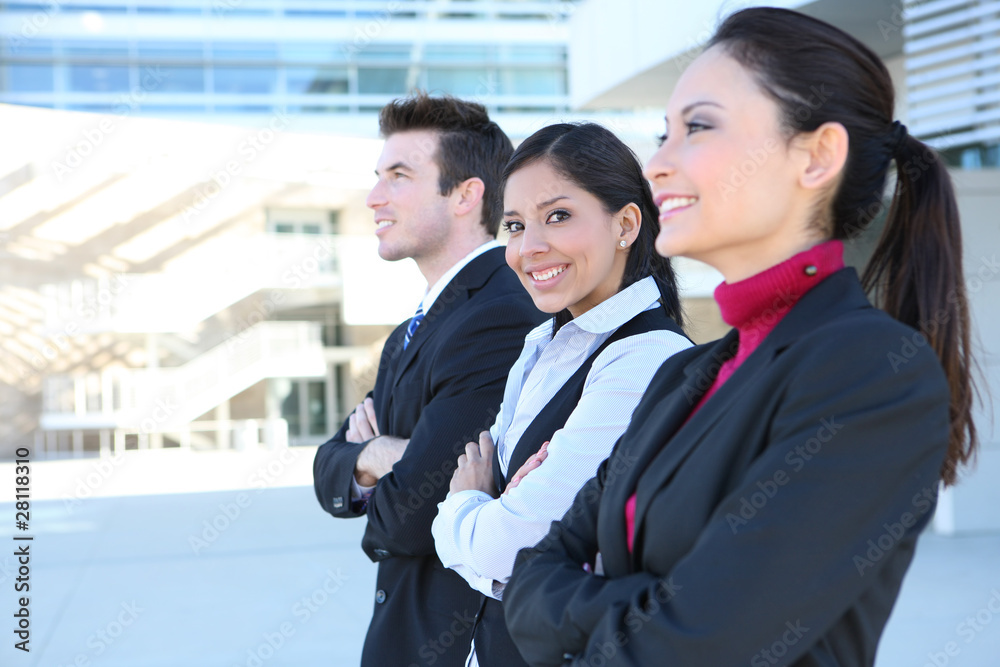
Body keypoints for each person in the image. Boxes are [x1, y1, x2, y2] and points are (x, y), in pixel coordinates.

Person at [503, 8, 979, 666]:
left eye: (697, 126)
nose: (657, 164)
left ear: (816, 157)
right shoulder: (682, 378)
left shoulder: (874, 373)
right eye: (662, 133)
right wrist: (642, 603)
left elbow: (695, 646)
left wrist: (598, 606)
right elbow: (527, 583)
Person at [431, 122, 691, 667]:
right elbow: (510, 535)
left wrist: (467, 504)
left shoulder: (645, 359)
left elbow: (510, 545)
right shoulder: (541, 343)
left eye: (558, 216)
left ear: (625, 224)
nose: (530, 247)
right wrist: (494, 509)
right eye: (515, 225)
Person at [312, 93, 545, 667]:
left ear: (467, 194)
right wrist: (387, 455)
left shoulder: (499, 313)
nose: (374, 197)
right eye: (378, 177)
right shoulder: (410, 330)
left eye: (399, 176)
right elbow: (327, 470)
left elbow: (410, 519)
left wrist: (373, 453)